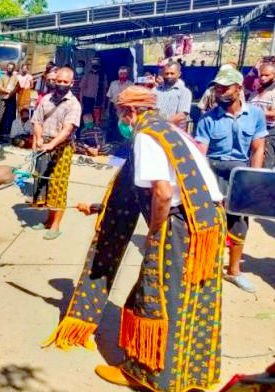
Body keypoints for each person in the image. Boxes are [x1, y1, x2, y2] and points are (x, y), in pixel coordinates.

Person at [45, 85, 226, 392]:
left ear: (129, 112)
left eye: (120, 113)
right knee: (193, 297)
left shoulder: (146, 136)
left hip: (180, 224)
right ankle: (192, 373)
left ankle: (145, 373)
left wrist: (155, 232)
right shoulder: (171, 131)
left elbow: (162, 192)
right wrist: (98, 207)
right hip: (208, 222)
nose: (121, 120)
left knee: (155, 297)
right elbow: (160, 185)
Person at [195, 67, 267, 293]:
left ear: (238, 88)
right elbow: (201, 154)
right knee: (211, 220)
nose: (220, 92)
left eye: (225, 87)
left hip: (241, 173)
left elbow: (258, 148)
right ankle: (207, 268)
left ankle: (234, 270)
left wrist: (253, 180)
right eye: (217, 88)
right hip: (214, 171)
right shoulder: (207, 119)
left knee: (239, 222)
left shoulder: (255, 115)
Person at [30, 67, 81, 240]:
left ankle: (55, 224)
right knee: (44, 183)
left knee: (58, 186)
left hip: (61, 148)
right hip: (44, 145)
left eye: (65, 82)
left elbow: (67, 130)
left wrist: (51, 144)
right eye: (58, 80)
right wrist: (38, 139)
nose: (60, 84)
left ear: (71, 83)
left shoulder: (74, 104)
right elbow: (37, 120)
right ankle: (47, 219)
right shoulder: (45, 99)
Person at [248, 63, 275, 168]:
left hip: (269, 132)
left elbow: (273, 115)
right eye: (261, 75)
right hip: (253, 131)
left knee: (264, 163)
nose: (263, 78)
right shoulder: (255, 92)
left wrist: (256, 114)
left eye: (267, 75)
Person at [153, 61, 192, 130]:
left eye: (172, 73)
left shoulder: (184, 92)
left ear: (179, 74)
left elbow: (181, 115)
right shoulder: (155, 90)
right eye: (166, 73)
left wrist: (162, 126)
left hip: (174, 132)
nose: (169, 76)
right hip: (153, 130)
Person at [106, 66, 133, 141]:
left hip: (126, 111)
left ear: (127, 74)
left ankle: (124, 144)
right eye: (121, 73)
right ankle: (113, 143)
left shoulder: (131, 84)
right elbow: (109, 98)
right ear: (118, 74)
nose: (123, 75)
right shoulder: (113, 84)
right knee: (113, 128)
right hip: (114, 110)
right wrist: (108, 110)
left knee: (124, 128)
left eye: (124, 73)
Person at [0, 61, 19, 142]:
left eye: (11, 68)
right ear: (7, 68)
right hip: (3, 98)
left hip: (12, 98)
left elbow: (17, 87)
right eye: (9, 68)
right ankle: (1, 134)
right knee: (2, 116)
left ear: (13, 69)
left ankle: (10, 134)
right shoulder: (3, 76)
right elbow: (0, 87)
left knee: (11, 116)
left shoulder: (16, 77)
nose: (10, 69)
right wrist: (7, 91)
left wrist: (10, 93)